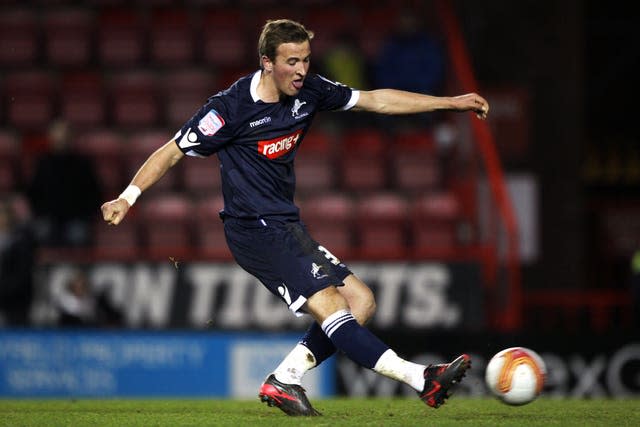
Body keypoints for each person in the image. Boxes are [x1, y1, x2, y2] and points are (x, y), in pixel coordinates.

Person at [101, 19, 489, 416]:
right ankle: (420, 378)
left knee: (361, 301)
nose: (302, 70)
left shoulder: (311, 91)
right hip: (253, 229)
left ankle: (285, 378)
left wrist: (451, 102)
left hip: (286, 223)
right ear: (266, 62)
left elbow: (377, 100)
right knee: (333, 304)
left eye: (305, 59)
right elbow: (171, 151)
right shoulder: (229, 109)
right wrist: (126, 198)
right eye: (291, 61)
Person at [27, 119, 102, 247]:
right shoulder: (43, 163)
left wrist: (85, 215)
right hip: (48, 217)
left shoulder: (82, 164)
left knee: (79, 234)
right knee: (40, 232)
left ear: (70, 138)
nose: (60, 140)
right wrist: (41, 213)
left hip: (76, 218)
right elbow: (34, 192)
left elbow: (94, 193)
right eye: (57, 137)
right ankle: (45, 267)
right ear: (51, 138)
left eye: (64, 136)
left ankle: (76, 267)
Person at [0, 196, 36, 326]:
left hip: (15, 302)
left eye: (2, 214)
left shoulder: (21, 241)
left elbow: (22, 273)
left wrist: (3, 291)